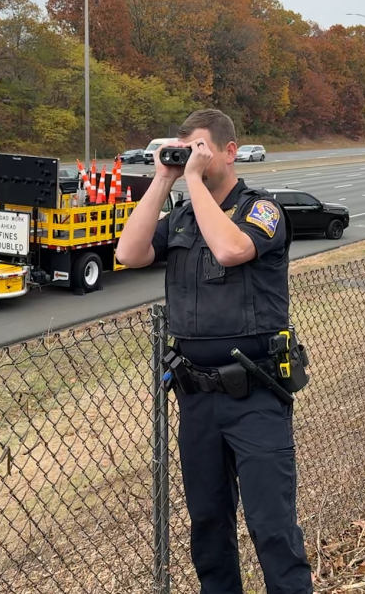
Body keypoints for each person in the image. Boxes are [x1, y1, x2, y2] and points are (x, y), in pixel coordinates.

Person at [115, 109, 312, 594]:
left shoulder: (261, 209)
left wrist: (193, 182)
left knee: (272, 526)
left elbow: (230, 250)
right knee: (208, 526)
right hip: (197, 398)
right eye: (185, 151)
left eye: (199, 150)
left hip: (256, 395)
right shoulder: (182, 216)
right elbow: (128, 253)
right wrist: (164, 179)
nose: (192, 160)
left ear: (230, 151)